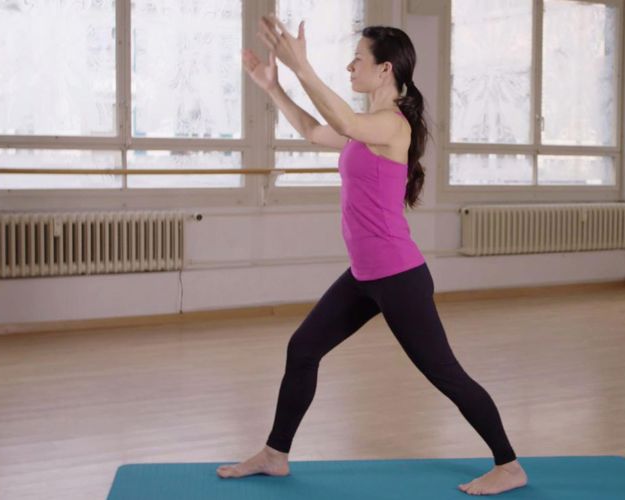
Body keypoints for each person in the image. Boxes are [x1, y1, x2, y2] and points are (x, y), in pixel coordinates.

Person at [217, 14, 528, 496]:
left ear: (385, 69)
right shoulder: (367, 128)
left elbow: (344, 121)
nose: (350, 67)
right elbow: (316, 130)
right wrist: (273, 87)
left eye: (357, 59)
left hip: (399, 276)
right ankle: (275, 454)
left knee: (444, 373)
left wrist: (302, 66)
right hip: (365, 275)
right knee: (303, 348)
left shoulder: (391, 125)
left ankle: (508, 465)